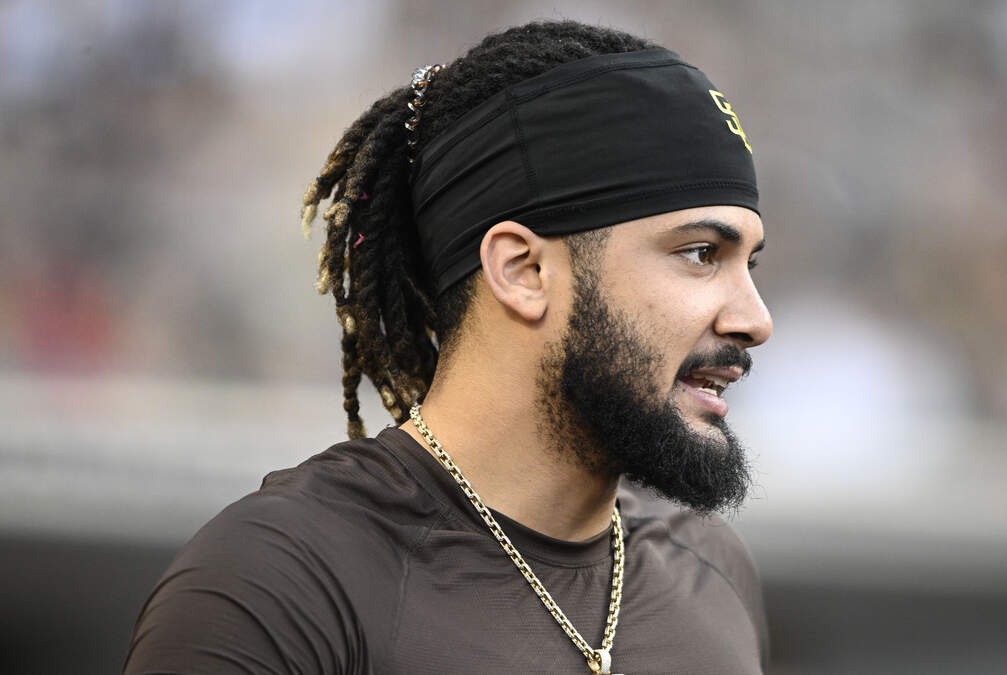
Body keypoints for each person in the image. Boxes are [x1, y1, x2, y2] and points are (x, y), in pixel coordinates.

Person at [125, 20, 772, 674]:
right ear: (523, 271)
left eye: (750, 263)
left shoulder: (710, 571)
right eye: (701, 254)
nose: (755, 320)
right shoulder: (282, 583)